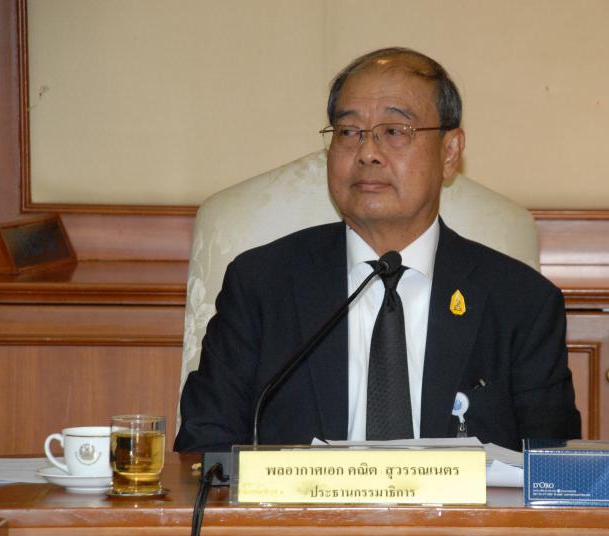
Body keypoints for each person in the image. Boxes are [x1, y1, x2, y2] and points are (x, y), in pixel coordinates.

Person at [174, 47, 580, 452]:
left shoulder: (521, 302)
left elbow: (555, 470)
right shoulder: (261, 285)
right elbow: (204, 450)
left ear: (450, 152)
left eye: (395, 131)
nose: (367, 153)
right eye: (349, 132)